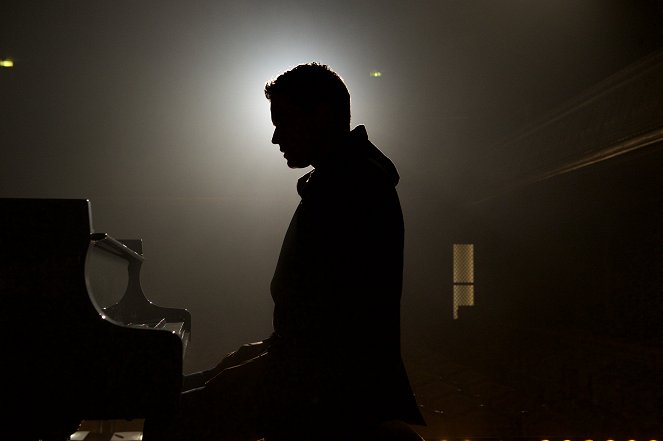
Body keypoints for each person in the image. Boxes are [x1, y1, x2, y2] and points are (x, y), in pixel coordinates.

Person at [144, 62, 424, 441]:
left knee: (178, 415)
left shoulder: (350, 185)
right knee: (198, 388)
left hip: (330, 384)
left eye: (284, 122)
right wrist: (260, 351)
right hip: (320, 368)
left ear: (320, 115)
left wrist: (261, 365)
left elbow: (332, 329)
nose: (276, 137)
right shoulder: (347, 175)